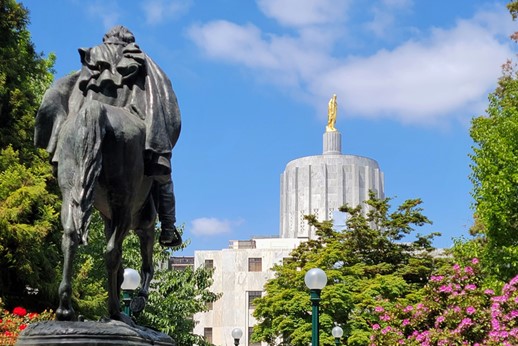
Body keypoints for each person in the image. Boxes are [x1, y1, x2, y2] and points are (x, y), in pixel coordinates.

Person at [35, 26, 182, 247]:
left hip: (83, 129)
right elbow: (161, 95)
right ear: (128, 41)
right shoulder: (138, 58)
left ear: (107, 39)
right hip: (128, 126)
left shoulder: (92, 56)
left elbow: (73, 94)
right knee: (163, 176)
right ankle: (169, 228)